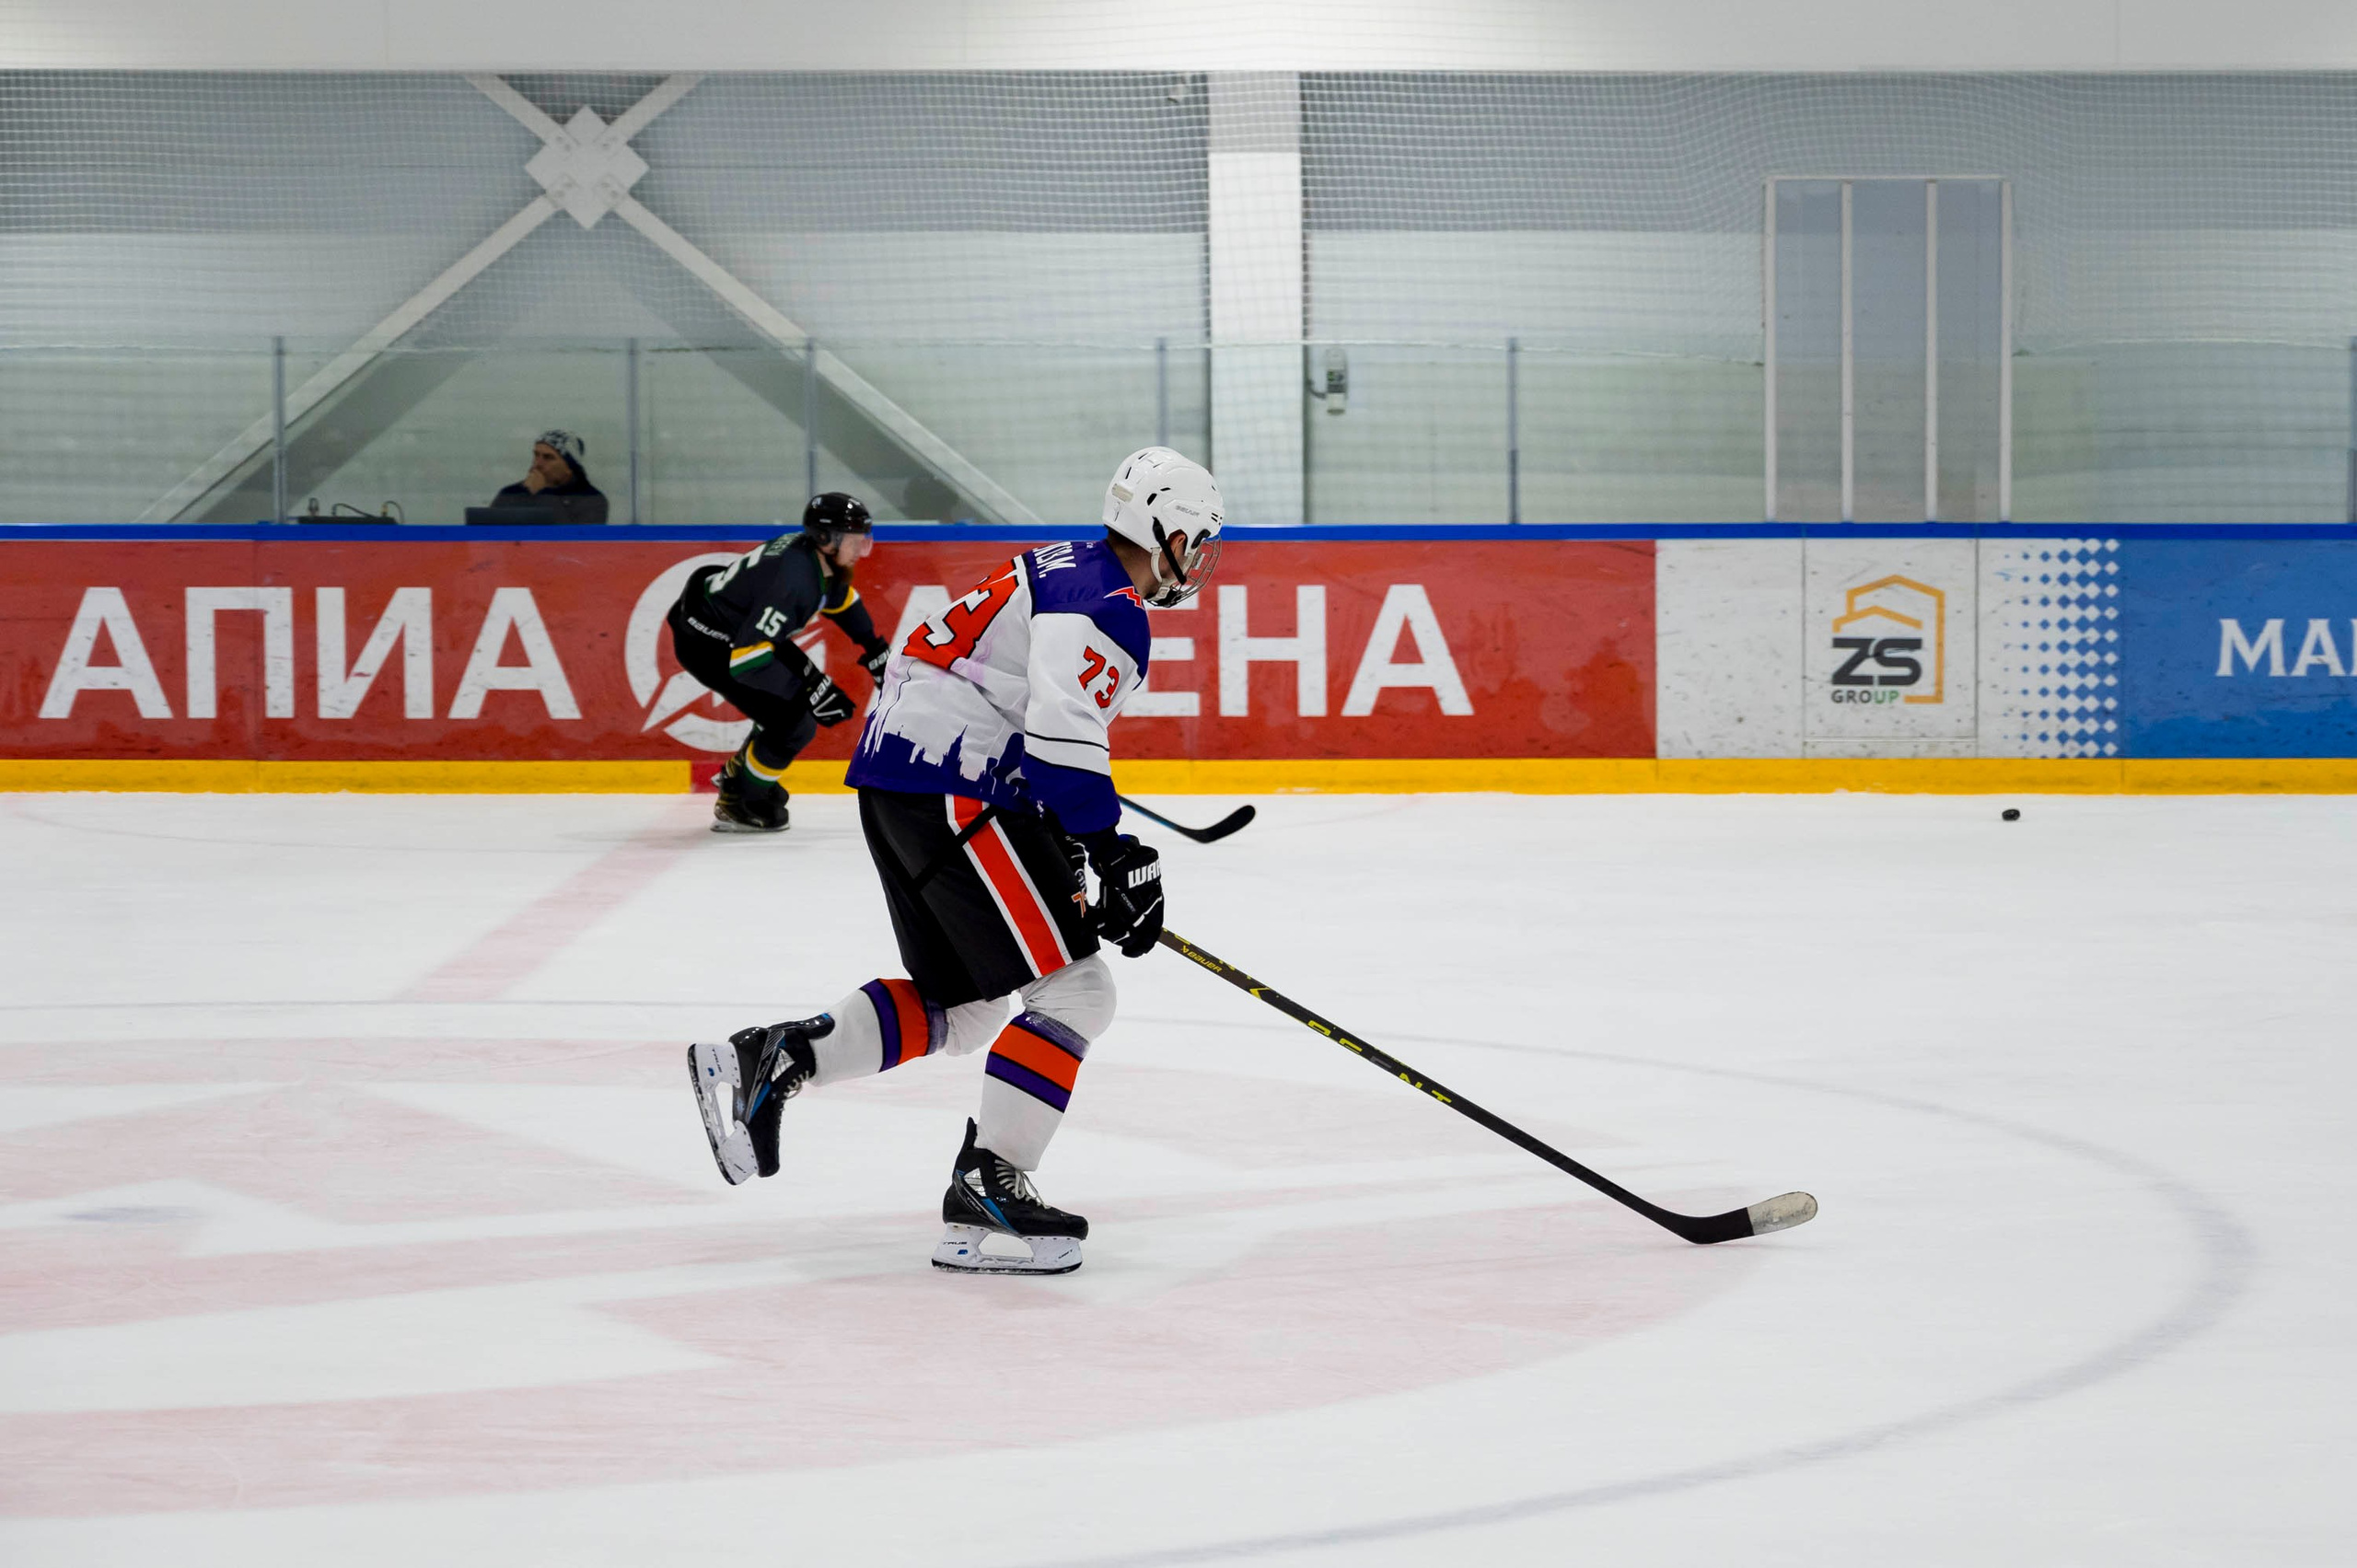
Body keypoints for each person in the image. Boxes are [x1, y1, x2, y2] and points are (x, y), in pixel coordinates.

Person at [685, 447, 1224, 1275]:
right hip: (953, 784)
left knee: (965, 1004)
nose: (1200, 558)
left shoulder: (1069, 566)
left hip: (906, 775)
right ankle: (989, 1184)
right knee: (1077, 991)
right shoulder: (1110, 603)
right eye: (1198, 539)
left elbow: (1030, 726)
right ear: (1169, 535)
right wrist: (1114, 854)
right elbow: (1061, 742)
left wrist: (1075, 847)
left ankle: (779, 1056)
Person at [667, 493, 893, 832]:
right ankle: (740, 802)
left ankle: (742, 774)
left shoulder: (814, 559)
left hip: (733, 629)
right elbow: (748, 662)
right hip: (709, 646)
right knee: (793, 723)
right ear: (825, 538)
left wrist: (873, 647)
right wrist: (805, 691)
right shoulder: (794, 582)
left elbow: (841, 599)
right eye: (854, 540)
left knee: (794, 705)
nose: (861, 550)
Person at [486, 429, 608, 524]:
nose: (537, 464)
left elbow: (572, 541)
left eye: (548, 458)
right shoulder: (511, 494)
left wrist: (544, 494)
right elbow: (488, 536)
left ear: (569, 468)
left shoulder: (592, 499)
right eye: (536, 455)